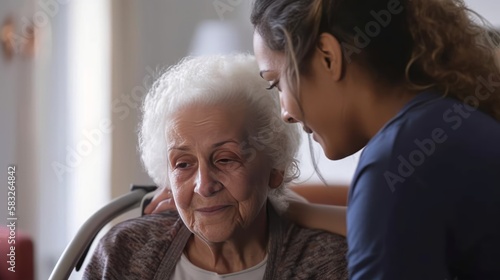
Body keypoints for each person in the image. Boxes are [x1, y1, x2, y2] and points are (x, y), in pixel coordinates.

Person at [250, 0, 500, 279]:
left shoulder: (395, 161)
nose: (286, 114)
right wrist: (298, 212)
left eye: (278, 84)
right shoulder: (450, 122)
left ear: (328, 56)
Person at [83, 54, 348, 279]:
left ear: (275, 167)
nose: (204, 185)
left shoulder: (325, 264)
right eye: (183, 164)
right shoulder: (125, 252)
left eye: (225, 159)